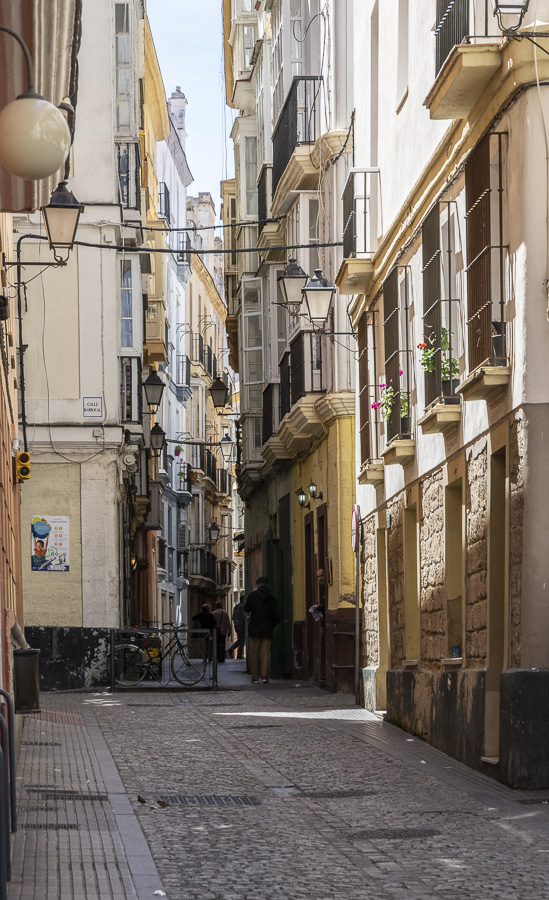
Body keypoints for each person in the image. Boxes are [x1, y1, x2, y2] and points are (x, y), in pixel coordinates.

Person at [244, 576, 280, 683]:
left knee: (254, 653)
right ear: (267, 585)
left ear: (258, 585)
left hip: (255, 628)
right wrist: (271, 625)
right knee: (265, 653)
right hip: (267, 628)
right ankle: (264, 677)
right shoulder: (272, 598)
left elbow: (246, 608)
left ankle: (254, 677)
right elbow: (277, 616)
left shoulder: (253, 596)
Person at [227, 594, 246, 659]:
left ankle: (232, 649)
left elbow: (233, 617)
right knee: (242, 640)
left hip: (236, 625)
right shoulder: (243, 606)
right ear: (243, 600)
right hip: (241, 625)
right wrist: (245, 626)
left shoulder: (236, 606)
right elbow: (244, 617)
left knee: (240, 639)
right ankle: (239, 654)